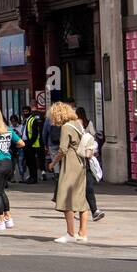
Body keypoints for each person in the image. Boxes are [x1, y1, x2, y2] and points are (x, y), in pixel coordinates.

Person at [49, 102, 90, 243]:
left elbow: (63, 149)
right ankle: (82, 233)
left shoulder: (66, 127)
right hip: (81, 164)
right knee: (80, 199)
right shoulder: (78, 123)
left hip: (70, 165)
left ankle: (70, 233)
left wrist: (53, 162)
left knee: (66, 197)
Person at [77, 106, 106, 222]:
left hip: (86, 160)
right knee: (76, 189)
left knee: (89, 187)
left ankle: (94, 211)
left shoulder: (87, 124)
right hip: (75, 163)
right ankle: (72, 210)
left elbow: (93, 138)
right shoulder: (69, 128)